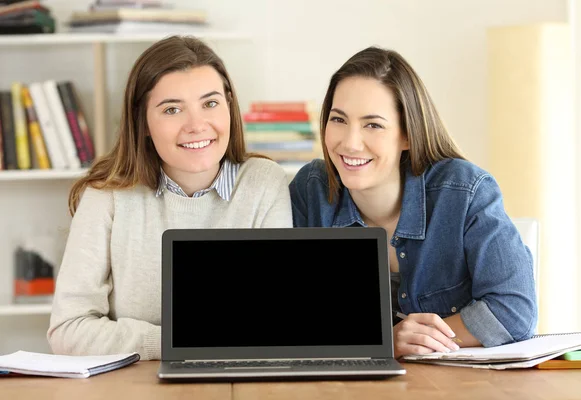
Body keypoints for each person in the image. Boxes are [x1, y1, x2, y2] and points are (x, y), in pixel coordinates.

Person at [47, 35, 293, 360]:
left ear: (229, 106)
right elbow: (68, 330)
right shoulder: (107, 195)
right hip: (133, 388)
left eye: (210, 103)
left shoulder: (264, 183)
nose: (196, 125)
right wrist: (172, 343)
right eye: (172, 109)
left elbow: (278, 325)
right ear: (143, 122)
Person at [289, 46, 537, 358]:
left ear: (407, 135)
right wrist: (383, 343)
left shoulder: (465, 191)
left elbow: (513, 311)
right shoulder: (310, 190)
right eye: (339, 119)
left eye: (373, 124)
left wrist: (412, 342)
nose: (350, 142)